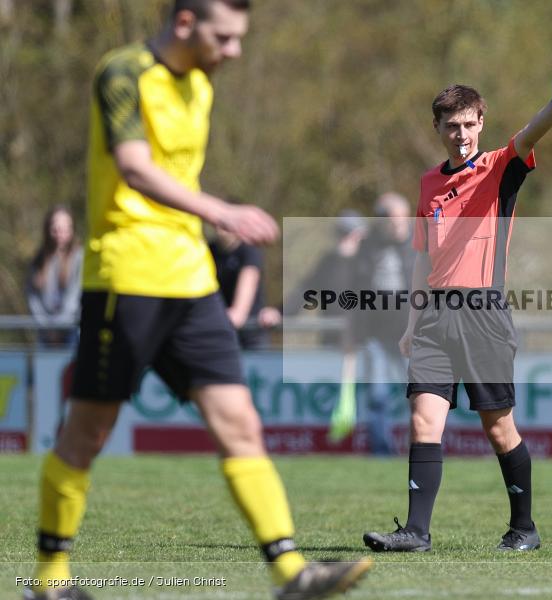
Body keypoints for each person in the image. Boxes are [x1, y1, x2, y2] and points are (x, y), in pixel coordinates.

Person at [25, 2, 370, 599]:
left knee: (240, 421)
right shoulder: (123, 73)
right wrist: (221, 211)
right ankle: (51, 580)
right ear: (185, 22)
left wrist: (208, 225)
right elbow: (134, 169)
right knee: (88, 431)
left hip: (191, 282)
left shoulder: (202, 86)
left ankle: (292, 572)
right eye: (225, 37)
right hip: (126, 280)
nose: (234, 51)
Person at [362, 60, 552, 553]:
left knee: (498, 426)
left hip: (483, 315)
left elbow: (531, 134)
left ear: (481, 123)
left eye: (469, 124)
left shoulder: (499, 166)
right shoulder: (428, 184)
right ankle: (415, 533)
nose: (461, 134)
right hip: (433, 319)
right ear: (438, 129)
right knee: (424, 420)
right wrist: (411, 322)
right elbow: (422, 260)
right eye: (452, 126)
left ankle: (524, 527)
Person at [349, 192, 416, 455]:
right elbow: (353, 288)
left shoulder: (422, 245)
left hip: (411, 334)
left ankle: (423, 447)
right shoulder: (366, 247)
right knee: (377, 396)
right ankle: (381, 451)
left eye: (402, 218)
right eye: (392, 219)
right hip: (375, 334)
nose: (399, 224)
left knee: (420, 396)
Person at [282, 209, 367, 348]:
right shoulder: (329, 263)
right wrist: (280, 314)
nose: (343, 240)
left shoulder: (369, 264)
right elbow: (305, 291)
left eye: (348, 234)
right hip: (332, 341)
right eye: (340, 233)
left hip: (365, 344)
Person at [209, 220, 281, 350]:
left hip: (251, 335)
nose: (220, 230)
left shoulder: (250, 251)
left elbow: (238, 316)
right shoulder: (208, 250)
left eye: (225, 225)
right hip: (220, 333)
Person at [26, 206, 83, 348]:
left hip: (71, 331)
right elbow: (32, 297)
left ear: (72, 230)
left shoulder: (79, 258)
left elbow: (75, 297)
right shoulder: (38, 260)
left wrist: (60, 327)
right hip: (45, 335)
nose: (59, 234)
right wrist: (47, 327)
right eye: (55, 229)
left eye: (64, 229)